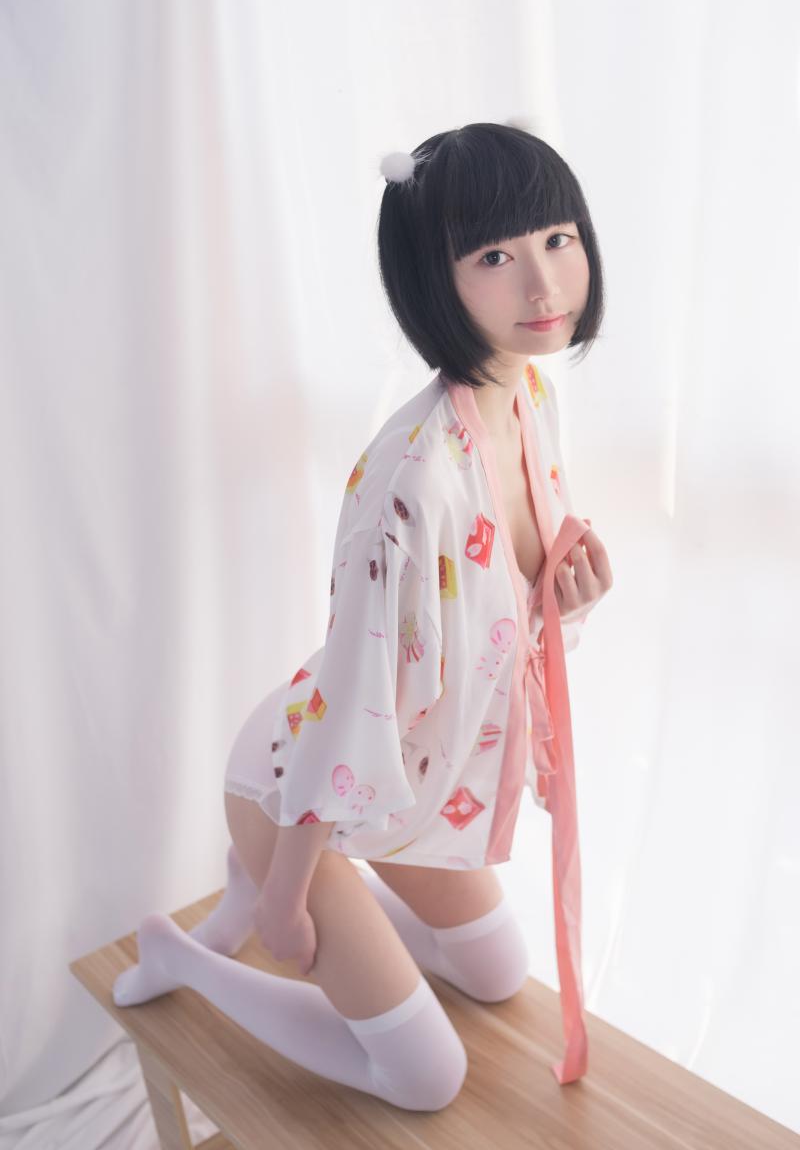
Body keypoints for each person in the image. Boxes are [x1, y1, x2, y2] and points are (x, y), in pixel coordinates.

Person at [112, 120, 613, 1111]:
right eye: (494, 257)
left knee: (496, 975)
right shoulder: (409, 478)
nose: (542, 284)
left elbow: (493, 633)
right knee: (425, 1078)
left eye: (557, 239)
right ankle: (189, 954)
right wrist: (291, 896)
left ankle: (293, 900)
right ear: (433, 279)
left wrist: (570, 601)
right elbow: (351, 692)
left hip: (410, 781)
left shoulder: (529, 401)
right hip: (302, 781)